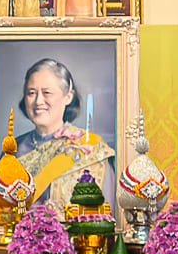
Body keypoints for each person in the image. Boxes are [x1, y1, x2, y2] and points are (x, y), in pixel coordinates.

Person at [10, 57, 116, 212]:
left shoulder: (91, 149)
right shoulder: (13, 149)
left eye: (47, 93)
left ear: (68, 97)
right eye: (31, 93)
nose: (38, 101)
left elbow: (107, 214)